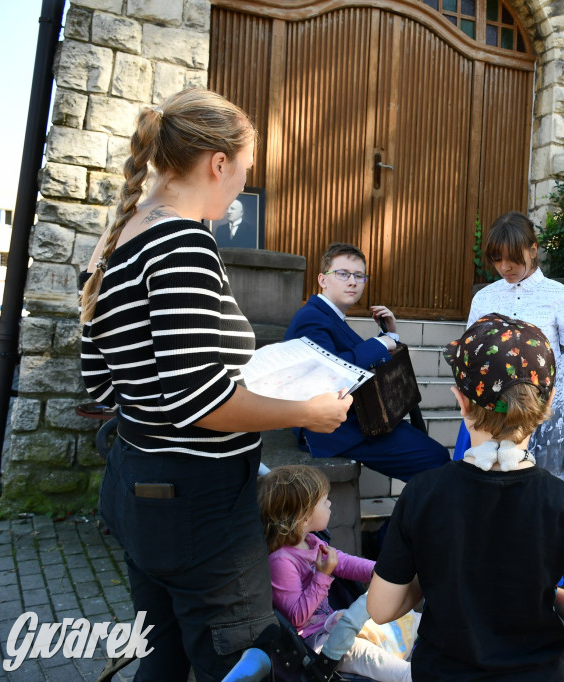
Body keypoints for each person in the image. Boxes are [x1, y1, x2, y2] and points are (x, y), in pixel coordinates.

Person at [79, 87, 353, 682]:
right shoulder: (180, 241)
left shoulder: (114, 240)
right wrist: (308, 410)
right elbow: (203, 401)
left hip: (138, 488)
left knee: (165, 658)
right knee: (250, 662)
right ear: (218, 163)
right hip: (200, 508)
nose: (241, 188)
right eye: (246, 171)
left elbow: (101, 385)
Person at [366, 314, 564, 680]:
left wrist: (439, 574)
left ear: (461, 401)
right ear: (547, 406)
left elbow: (380, 607)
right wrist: (549, 595)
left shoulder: (424, 492)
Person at [284, 242, 449, 481]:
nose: (352, 281)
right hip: (336, 430)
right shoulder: (311, 317)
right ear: (322, 279)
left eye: (359, 276)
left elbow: (355, 360)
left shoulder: (330, 316)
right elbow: (329, 375)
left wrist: (389, 336)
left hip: (361, 418)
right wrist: (380, 344)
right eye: (342, 274)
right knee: (437, 461)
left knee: (436, 459)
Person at [257, 465, 416, 681]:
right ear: (303, 517)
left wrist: (386, 573)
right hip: (318, 644)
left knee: (411, 619)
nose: (330, 503)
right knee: (372, 657)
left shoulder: (311, 541)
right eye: (324, 501)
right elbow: (296, 618)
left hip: (333, 627)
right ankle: (411, 675)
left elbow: (345, 563)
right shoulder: (281, 561)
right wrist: (322, 576)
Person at [453, 210, 564, 458]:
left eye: (513, 258)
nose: (505, 267)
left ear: (533, 249)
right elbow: (469, 356)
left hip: (538, 417)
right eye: (497, 259)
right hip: (486, 415)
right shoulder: (484, 296)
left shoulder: (561, 296)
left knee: (533, 489)